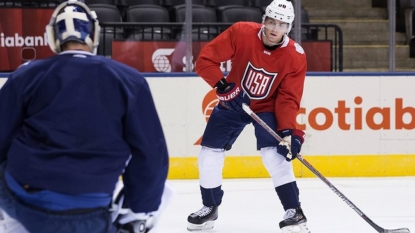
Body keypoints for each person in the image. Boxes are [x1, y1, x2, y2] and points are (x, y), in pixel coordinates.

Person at [0, 1, 169, 232]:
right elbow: (151, 154)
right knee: (162, 192)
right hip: (92, 206)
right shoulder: (130, 80)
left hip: (27, 201)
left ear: (53, 37)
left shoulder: (26, 75)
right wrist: (138, 207)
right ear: (94, 34)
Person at [187, 0, 310, 232]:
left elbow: (288, 97)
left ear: (289, 28)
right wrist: (223, 87)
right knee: (208, 153)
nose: (275, 29)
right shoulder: (242, 32)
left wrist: (287, 131)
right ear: (264, 20)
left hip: (267, 107)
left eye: (282, 25)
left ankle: (294, 211)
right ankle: (210, 206)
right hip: (234, 101)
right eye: (271, 22)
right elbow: (205, 60)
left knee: (274, 156)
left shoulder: (295, 55)